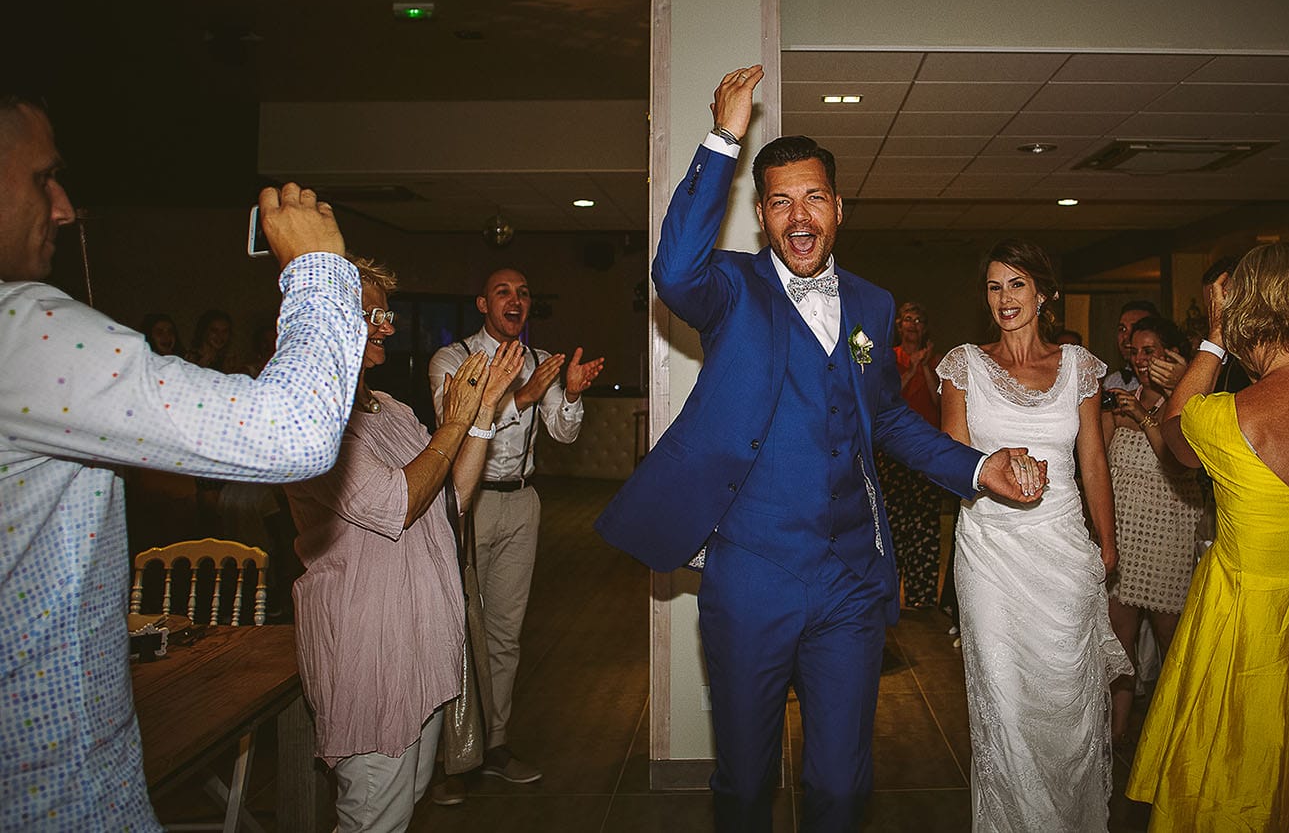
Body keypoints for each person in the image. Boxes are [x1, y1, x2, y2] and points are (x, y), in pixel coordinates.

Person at [594, 65, 1046, 833]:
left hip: (849, 581)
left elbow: (888, 419)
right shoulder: (731, 289)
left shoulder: (872, 303)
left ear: (839, 208)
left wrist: (976, 465)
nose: (798, 216)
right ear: (760, 214)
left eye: (813, 198)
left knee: (841, 784)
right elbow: (673, 271)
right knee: (744, 783)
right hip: (751, 575)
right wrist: (724, 137)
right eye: (780, 201)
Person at [0, 93, 367, 831]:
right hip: (56, 798)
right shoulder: (20, 333)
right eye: (44, 177)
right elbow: (294, 430)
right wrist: (320, 268)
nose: (64, 208)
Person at [1126, 240, 1289, 831]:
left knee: (1231, 781)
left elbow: (1174, 432)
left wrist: (1215, 339)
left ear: (1245, 310)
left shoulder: (1222, 417)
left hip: (1242, 622)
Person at [286, 258, 524, 833]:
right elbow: (396, 502)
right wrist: (454, 423)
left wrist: (482, 415)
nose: (388, 327)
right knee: (373, 816)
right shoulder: (313, 420)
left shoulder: (389, 409)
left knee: (402, 804)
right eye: (374, 316)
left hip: (417, 649)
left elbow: (449, 498)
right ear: (331, 320)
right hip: (370, 654)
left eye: (386, 314)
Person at [937, 239, 1127, 831]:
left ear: (1044, 294)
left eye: (1017, 284)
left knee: (1067, 699)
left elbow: (1092, 460)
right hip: (990, 551)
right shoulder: (964, 366)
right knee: (1005, 702)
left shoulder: (1080, 367)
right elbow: (953, 461)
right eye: (994, 286)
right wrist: (995, 467)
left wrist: (1107, 542)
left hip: (1062, 548)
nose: (1004, 298)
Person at [426, 266, 605, 798]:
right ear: (483, 304)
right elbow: (452, 426)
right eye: (503, 292)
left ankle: (495, 743)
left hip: (522, 502)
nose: (516, 300)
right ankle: (451, 759)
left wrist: (570, 395)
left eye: (523, 293)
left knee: (505, 632)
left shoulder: (537, 361)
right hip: (467, 503)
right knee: (458, 630)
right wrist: (522, 397)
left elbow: (563, 435)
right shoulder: (453, 360)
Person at [1101, 315, 1202, 745]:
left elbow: (1180, 463)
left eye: (1150, 351)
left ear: (1170, 354)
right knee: (1119, 637)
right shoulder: (1118, 401)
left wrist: (1142, 415)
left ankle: (1172, 736)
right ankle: (1117, 730)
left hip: (1170, 531)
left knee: (1169, 638)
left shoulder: (1187, 402)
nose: (1140, 360)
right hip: (1125, 532)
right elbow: (1099, 466)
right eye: (1135, 352)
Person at [875, 300, 946, 609]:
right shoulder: (888, 357)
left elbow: (939, 401)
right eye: (907, 319)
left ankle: (922, 597)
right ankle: (888, 596)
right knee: (892, 523)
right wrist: (913, 366)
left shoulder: (938, 361)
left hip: (926, 451)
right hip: (892, 451)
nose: (913, 325)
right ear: (899, 325)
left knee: (924, 525)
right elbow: (887, 397)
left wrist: (925, 367)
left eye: (918, 320)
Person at [1106, 299, 1160, 392]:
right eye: (1122, 329)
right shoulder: (1112, 382)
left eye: (1136, 328)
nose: (1126, 336)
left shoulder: (1175, 383)